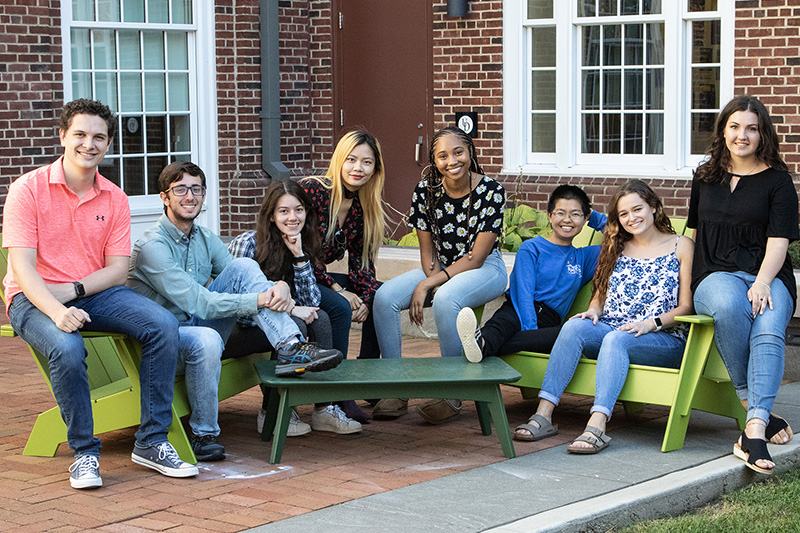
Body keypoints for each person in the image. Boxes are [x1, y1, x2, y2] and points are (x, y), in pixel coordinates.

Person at [2, 99, 198, 489]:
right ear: (63, 136)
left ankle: (152, 440)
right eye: (80, 134)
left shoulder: (114, 198)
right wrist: (57, 310)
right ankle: (85, 454)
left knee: (162, 324)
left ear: (108, 144)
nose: (88, 144)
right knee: (69, 348)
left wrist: (73, 290)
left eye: (98, 137)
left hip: (90, 293)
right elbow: (23, 269)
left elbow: (116, 270)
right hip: (32, 298)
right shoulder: (28, 190)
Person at [128, 162, 345, 460]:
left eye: (196, 189)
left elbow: (240, 276)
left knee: (244, 266)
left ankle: (291, 347)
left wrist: (279, 287)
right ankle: (203, 435)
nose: (189, 196)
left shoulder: (204, 238)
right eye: (180, 190)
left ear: (204, 196)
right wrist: (262, 299)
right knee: (206, 339)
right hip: (163, 342)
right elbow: (200, 303)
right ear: (164, 197)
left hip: (199, 325)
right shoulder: (152, 247)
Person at [513, 180, 694, 454]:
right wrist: (594, 309)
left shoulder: (682, 246)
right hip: (614, 329)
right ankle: (544, 415)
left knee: (615, 339)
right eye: (623, 214)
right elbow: (601, 291)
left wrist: (651, 323)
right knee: (575, 327)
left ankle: (597, 426)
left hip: (663, 338)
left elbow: (687, 307)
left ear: (654, 207)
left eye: (637, 209)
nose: (631, 218)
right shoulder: (617, 246)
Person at [689, 95, 798, 474]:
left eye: (751, 128)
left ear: (762, 133)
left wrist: (764, 281)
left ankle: (752, 431)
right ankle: (759, 409)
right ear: (723, 130)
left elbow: (779, 239)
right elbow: (692, 232)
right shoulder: (704, 177)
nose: (742, 135)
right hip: (713, 276)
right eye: (735, 126)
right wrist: (680, 284)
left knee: (768, 325)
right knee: (731, 304)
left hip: (766, 274)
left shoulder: (779, 182)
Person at [372, 126, 508, 424]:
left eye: (458, 152)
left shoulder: (491, 191)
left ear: (470, 152)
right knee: (384, 297)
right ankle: (393, 385)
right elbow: (427, 252)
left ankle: (452, 392)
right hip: (439, 266)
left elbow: (476, 257)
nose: (452, 161)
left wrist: (430, 284)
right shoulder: (426, 191)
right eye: (442, 156)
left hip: (486, 269)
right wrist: (430, 277)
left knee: (446, 298)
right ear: (434, 161)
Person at [228, 179, 363, 436]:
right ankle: (273, 412)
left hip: (277, 326)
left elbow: (312, 302)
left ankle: (325, 409)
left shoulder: (302, 242)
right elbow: (237, 308)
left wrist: (300, 256)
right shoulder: (248, 244)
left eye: (298, 210)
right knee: (298, 323)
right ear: (270, 216)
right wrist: (290, 311)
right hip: (238, 329)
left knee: (320, 318)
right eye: (284, 211)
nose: (293, 217)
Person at [457, 185, 607, 363]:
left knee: (570, 331)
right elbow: (524, 291)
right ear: (549, 216)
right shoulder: (532, 248)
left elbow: (621, 241)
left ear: (584, 219)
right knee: (501, 324)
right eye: (560, 213)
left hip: (550, 320)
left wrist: (594, 217)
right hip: (518, 308)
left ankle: (481, 344)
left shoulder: (584, 257)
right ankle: (482, 343)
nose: (567, 220)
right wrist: (530, 330)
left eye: (575, 214)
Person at [300, 129, 387, 370]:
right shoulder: (313, 191)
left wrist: (367, 300)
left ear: (375, 170)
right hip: (291, 278)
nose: (358, 168)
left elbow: (363, 267)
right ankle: (339, 389)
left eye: (367, 162)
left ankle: (368, 374)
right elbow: (305, 256)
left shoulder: (362, 208)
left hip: (316, 279)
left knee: (382, 294)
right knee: (340, 306)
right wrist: (338, 290)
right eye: (351, 159)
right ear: (339, 160)